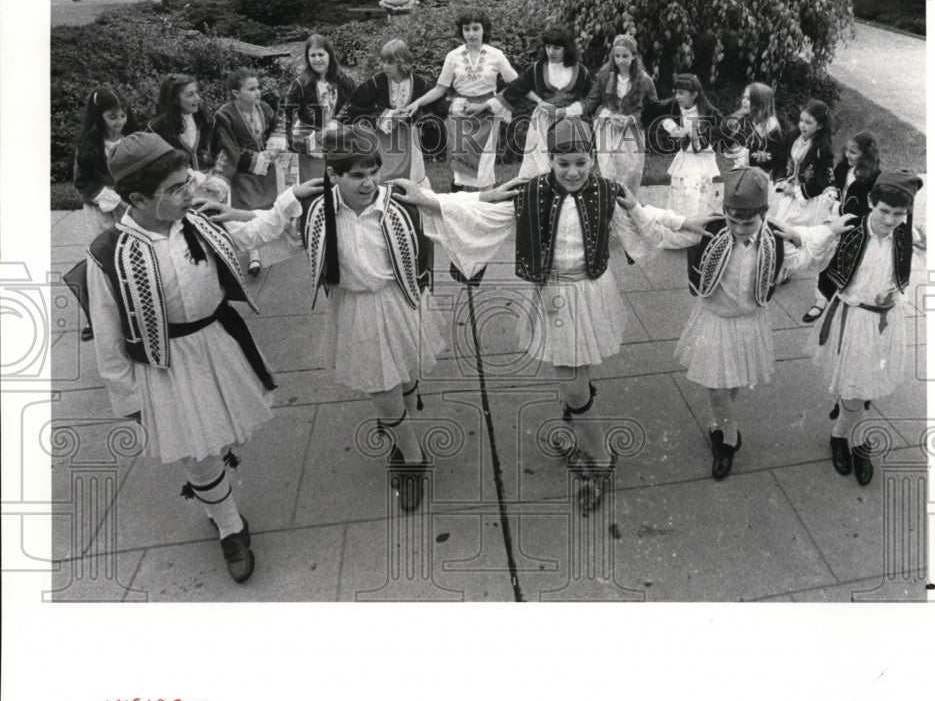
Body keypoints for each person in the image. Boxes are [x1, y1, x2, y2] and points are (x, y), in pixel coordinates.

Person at [392, 118, 710, 510]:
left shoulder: (607, 191)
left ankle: (600, 453)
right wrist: (431, 201)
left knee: (575, 377)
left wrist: (684, 223)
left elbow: (644, 213)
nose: (573, 171)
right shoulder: (533, 193)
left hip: (592, 290)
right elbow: (480, 210)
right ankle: (579, 416)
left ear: (592, 158)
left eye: (580, 162)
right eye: (563, 163)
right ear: (550, 160)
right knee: (572, 375)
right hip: (553, 294)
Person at [84, 132, 323, 583]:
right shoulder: (109, 254)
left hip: (217, 341)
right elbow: (107, 335)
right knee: (195, 449)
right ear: (137, 198)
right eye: (175, 189)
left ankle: (215, 485)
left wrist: (292, 204)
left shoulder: (199, 218)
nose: (189, 193)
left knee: (219, 433)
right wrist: (129, 398)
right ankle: (230, 524)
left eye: (186, 181)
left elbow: (258, 235)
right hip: (165, 363)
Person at [637, 166, 852, 479]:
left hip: (750, 320)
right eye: (732, 220)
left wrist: (830, 233)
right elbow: (658, 229)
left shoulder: (774, 240)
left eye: (747, 222)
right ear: (724, 211)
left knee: (733, 378)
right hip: (714, 318)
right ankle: (728, 435)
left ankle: (718, 424)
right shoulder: (709, 229)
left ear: (763, 213)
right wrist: (634, 206)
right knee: (714, 386)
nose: (738, 228)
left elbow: (803, 260)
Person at [287, 125, 446, 512]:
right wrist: (277, 202)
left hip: (399, 300)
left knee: (405, 371)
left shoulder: (398, 204)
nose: (368, 182)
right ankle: (412, 458)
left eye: (373, 172)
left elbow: (447, 219)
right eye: (356, 175)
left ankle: (399, 417)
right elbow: (271, 231)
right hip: (356, 307)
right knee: (382, 391)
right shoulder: (318, 210)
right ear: (333, 175)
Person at [805, 171, 922, 486]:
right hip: (853, 318)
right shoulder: (851, 231)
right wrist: (827, 232)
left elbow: (899, 272)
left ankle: (840, 435)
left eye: (899, 214)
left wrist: (897, 294)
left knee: (864, 384)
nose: (891, 219)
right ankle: (855, 442)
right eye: (884, 211)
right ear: (871, 202)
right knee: (856, 388)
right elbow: (812, 256)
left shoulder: (902, 235)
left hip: (886, 320)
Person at [401, 8, 518, 191]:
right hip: (460, 114)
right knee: (460, 168)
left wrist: (496, 102)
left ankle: (486, 209)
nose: (471, 34)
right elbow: (441, 88)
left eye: (475, 28)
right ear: (461, 31)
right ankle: (457, 206)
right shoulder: (453, 56)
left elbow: (516, 84)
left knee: (485, 166)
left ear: (484, 30)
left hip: (487, 113)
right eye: (467, 29)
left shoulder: (496, 55)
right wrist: (417, 102)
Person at [72, 87, 140, 340]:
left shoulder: (133, 139)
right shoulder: (88, 147)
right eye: (113, 117)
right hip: (101, 212)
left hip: (131, 209)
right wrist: (111, 198)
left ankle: (133, 311)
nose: (119, 122)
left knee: (132, 257)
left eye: (123, 116)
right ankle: (96, 315)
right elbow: (82, 183)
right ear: (99, 116)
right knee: (101, 260)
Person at [802, 131, 881, 322]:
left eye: (853, 153)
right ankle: (820, 300)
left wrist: (840, 207)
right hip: (833, 221)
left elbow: (866, 207)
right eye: (847, 151)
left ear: (866, 155)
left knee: (846, 262)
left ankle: (841, 300)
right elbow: (831, 184)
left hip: (853, 229)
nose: (847, 155)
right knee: (824, 259)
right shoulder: (843, 168)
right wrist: (829, 193)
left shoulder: (874, 177)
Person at [493, 25, 592, 178]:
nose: (551, 52)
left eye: (557, 48)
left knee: (565, 162)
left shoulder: (581, 71)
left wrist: (570, 110)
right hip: (542, 121)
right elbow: (518, 87)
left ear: (566, 49)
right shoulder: (538, 68)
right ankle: (537, 195)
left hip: (569, 122)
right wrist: (540, 101)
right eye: (548, 47)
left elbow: (591, 98)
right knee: (539, 164)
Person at [211, 68, 281, 277]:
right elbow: (226, 146)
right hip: (242, 167)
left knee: (265, 206)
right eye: (251, 89)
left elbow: (276, 126)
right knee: (247, 208)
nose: (258, 92)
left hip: (266, 165)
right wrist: (253, 158)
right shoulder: (224, 115)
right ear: (235, 92)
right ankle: (254, 255)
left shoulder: (264, 108)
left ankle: (268, 247)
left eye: (258, 87)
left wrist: (274, 146)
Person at [345, 39, 434, 188]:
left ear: (402, 62)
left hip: (409, 139)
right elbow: (355, 105)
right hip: (383, 138)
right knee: (383, 175)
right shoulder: (377, 82)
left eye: (390, 62)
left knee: (411, 178)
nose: (384, 66)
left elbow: (436, 101)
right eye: (383, 62)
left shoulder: (418, 83)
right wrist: (388, 114)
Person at [581, 34, 658, 197]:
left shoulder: (644, 81)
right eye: (617, 56)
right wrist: (608, 115)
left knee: (631, 171)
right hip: (607, 130)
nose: (620, 60)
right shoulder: (605, 76)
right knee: (609, 170)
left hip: (632, 132)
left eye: (625, 56)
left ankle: (629, 207)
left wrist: (631, 119)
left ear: (634, 57)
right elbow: (592, 102)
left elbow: (653, 109)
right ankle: (610, 207)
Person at [283, 33, 357, 182]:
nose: (317, 59)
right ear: (307, 58)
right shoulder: (300, 84)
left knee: (338, 183)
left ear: (329, 54)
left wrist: (337, 122)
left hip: (338, 142)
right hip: (310, 146)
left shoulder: (345, 81)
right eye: (313, 55)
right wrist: (290, 141)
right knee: (315, 185)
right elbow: (286, 113)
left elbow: (354, 104)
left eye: (321, 54)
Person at [650, 73, 725, 218]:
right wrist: (672, 128)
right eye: (676, 92)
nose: (677, 96)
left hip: (702, 160)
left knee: (695, 198)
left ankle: (694, 229)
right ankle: (678, 228)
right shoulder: (675, 108)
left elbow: (725, 131)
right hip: (684, 158)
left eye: (681, 93)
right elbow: (658, 115)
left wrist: (695, 130)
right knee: (678, 196)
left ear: (694, 94)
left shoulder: (709, 112)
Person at [770, 99, 838, 228]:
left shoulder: (822, 148)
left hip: (806, 202)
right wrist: (782, 181)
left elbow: (824, 179)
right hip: (786, 192)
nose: (802, 125)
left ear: (819, 126)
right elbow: (780, 160)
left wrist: (798, 191)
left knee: (793, 233)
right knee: (777, 226)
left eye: (808, 122)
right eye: (801, 120)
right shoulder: (792, 137)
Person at [148, 73, 217, 174]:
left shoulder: (206, 120)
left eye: (197, 92)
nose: (197, 98)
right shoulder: (157, 128)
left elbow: (221, 152)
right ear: (174, 99)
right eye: (190, 95)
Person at [722, 81, 783, 178]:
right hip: (738, 175)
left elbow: (773, 156)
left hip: (758, 178)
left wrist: (745, 154)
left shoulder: (771, 126)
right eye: (744, 97)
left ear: (760, 103)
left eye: (748, 99)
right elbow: (726, 143)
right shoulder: (743, 120)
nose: (743, 101)